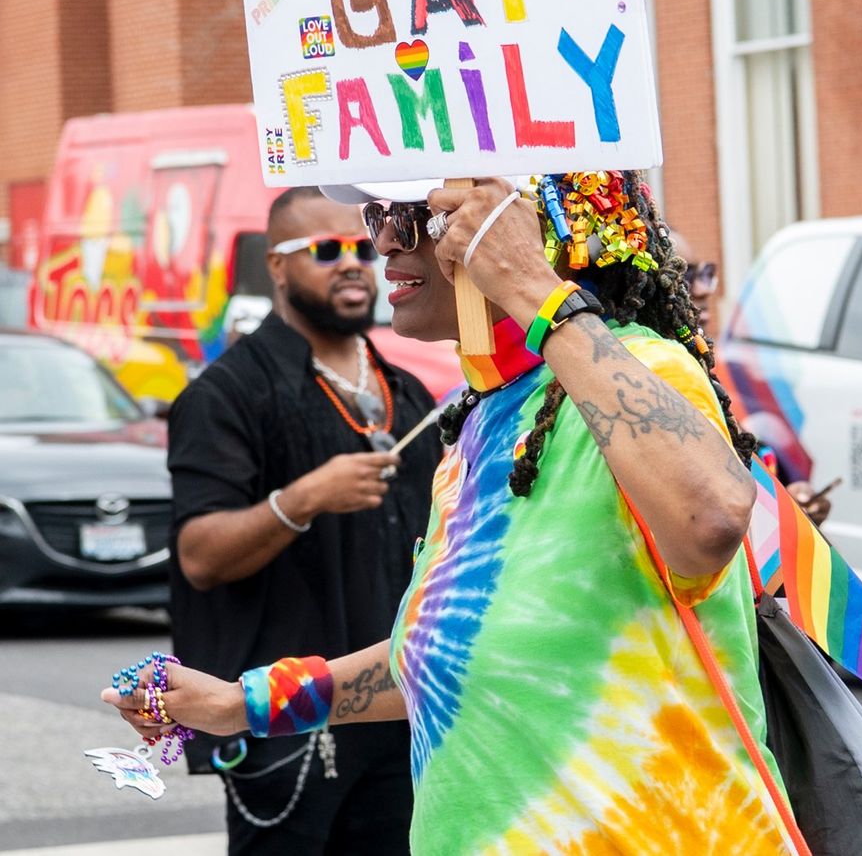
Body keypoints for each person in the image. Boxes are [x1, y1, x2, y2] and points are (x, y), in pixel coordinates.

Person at [105, 172, 805, 855]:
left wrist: (533, 287)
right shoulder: (480, 420)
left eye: (410, 216)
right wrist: (240, 703)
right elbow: (440, 656)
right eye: (375, 219)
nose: (383, 244)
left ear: (521, 224)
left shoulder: (642, 368)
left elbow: (711, 518)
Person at [164, 186, 442, 854]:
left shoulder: (407, 393)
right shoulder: (227, 395)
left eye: (359, 248)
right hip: (287, 726)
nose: (352, 264)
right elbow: (199, 556)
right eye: (324, 250)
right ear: (277, 266)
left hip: (397, 711)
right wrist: (302, 500)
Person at [670, 229, 831, 526]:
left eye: (706, 272)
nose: (705, 290)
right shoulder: (664, 378)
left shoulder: (703, 370)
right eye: (686, 275)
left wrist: (787, 500)